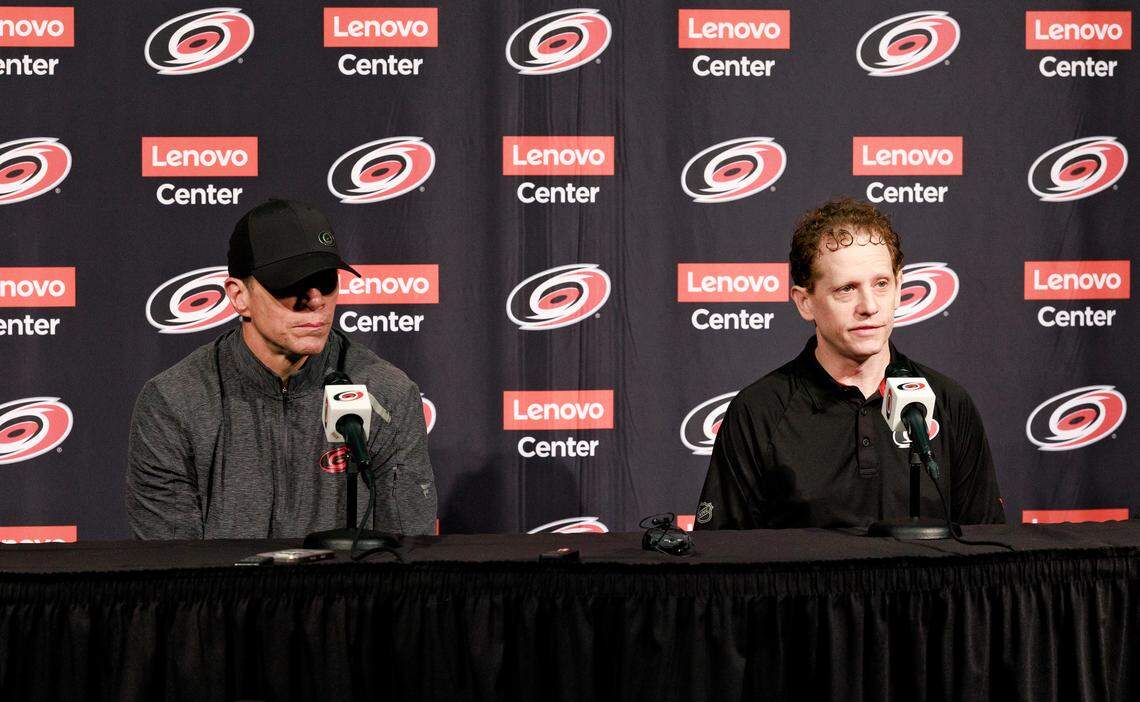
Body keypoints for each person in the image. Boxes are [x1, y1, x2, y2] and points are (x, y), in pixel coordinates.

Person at [127, 198, 437, 538]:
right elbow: (172, 571)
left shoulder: (387, 394)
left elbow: (406, 557)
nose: (315, 300)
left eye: (326, 281)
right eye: (290, 283)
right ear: (238, 295)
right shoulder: (174, 402)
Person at [694, 197, 1004, 529]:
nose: (869, 306)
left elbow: (986, 552)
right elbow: (722, 560)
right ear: (805, 303)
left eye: (881, 284)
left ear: (899, 288)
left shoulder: (949, 403)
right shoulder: (759, 413)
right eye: (846, 289)